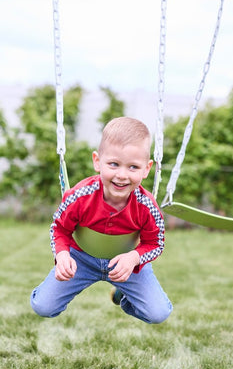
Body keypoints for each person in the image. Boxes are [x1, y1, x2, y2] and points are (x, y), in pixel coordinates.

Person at [31, 117, 172, 324]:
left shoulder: (147, 206)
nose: (122, 175)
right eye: (114, 164)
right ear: (97, 161)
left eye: (133, 167)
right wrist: (62, 256)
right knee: (43, 306)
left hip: (125, 264)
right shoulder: (80, 196)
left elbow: (156, 243)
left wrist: (133, 258)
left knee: (158, 313)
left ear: (147, 169)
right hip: (81, 260)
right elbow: (59, 228)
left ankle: (123, 295)